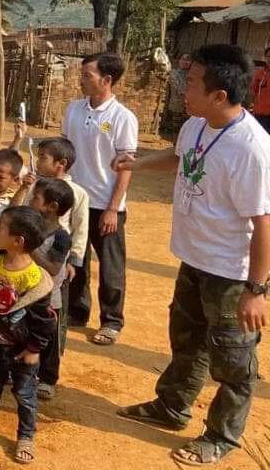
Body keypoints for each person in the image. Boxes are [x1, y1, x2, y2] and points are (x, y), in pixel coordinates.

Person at [116, 44, 269, 466]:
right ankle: (171, 406)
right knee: (186, 339)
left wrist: (255, 289)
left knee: (233, 360)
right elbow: (181, 158)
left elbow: (264, 223)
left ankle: (221, 435)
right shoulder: (198, 124)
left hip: (230, 272)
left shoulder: (252, 149)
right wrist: (137, 164)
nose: (185, 88)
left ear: (220, 95)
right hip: (195, 259)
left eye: (194, 82)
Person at [0, 206, 55, 465]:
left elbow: (44, 321)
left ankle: (26, 436)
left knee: (24, 394)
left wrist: (34, 350)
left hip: (22, 349)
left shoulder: (36, 279)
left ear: (18, 241)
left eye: (1, 228)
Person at [62, 52, 138, 346]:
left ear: (106, 80)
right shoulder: (73, 110)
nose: (81, 79)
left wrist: (112, 208)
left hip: (106, 205)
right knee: (77, 259)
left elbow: (125, 167)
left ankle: (112, 321)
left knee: (111, 266)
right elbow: (65, 153)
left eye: (87, 75)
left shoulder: (123, 118)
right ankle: (79, 312)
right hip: (75, 200)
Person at [26, 178, 74, 400]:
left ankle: (47, 379)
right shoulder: (33, 226)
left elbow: (53, 268)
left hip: (49, 300)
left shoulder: (61, 236)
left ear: (52, 207)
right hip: (27, 295)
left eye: (36, 198)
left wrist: (30, 247)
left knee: (49, 341)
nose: (32, 200)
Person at [162, 52, 192, 137]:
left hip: (190, 106)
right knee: (178, 129)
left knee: (189, 127)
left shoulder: (192, 74)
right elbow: (178, 88)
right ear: (179, 61)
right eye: (183, 59)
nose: (185, 62)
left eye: (188, 60)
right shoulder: (173, 73)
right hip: (177, 105)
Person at [252, 45, 270, 134]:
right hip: (260, 112)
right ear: (265, 58)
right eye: (268, 56)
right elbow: (254, 90)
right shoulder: (260, 73)